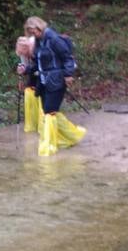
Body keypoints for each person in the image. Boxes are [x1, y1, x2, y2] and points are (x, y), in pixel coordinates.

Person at [18, 16, 85, 154]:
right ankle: (73, 135)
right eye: (30, 32)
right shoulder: (38, 42)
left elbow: (67, 57)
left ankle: (48, 145)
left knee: (49, 111)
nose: (32, 34)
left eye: (33, 31)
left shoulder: (54, 39)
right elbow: (38, 63)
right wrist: (26, 70)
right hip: (43, 82)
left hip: (57, 80)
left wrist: (68, 75)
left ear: (39, 27)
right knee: (50, 111)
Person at [16, 35, 40, 132]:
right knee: (29, 88)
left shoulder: (36, 49)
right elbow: (26, 67)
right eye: (21, 54)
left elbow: (39, 66)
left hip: (44, 71)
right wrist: (22, 71)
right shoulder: (23, 52)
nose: (23, 56)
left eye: (24, 53)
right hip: (33, 70)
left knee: (39, 88)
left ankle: (41, 118)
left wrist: (27, 69)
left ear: (27, 48)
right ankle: (33, 122)